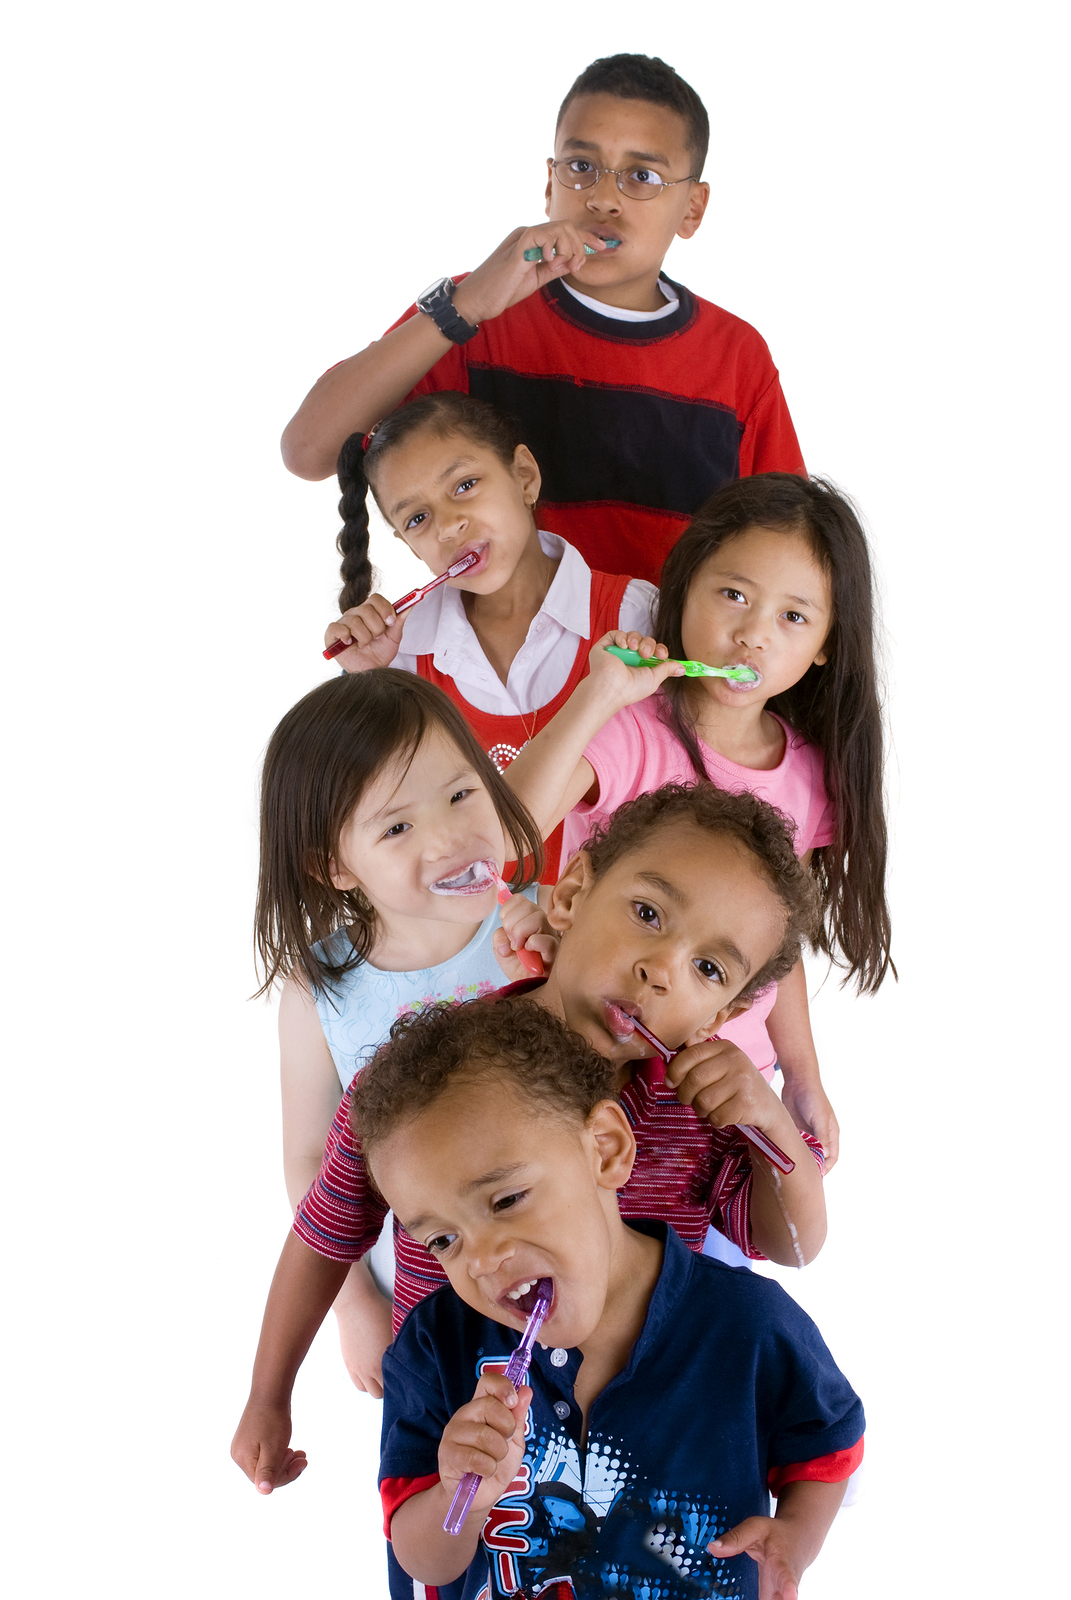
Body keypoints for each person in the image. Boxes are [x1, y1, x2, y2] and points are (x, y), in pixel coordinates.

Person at [232, 783, 830, 1493]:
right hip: (463, 1427)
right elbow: (324, 1235)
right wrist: (269, 1396)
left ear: (719, 1015)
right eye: (646, 914)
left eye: (707, 969)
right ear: (572, 892)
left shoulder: (697, 1113)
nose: (661, 969)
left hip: (640, 1437)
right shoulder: (427, 1079)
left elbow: (793, 1246)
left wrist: (772, 1129)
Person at [358, 998, 865, 1600]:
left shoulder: (746, 1325)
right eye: (444, 1239)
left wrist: (796, 1539)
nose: (482, 1259)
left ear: (604, 1149)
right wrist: (457, 1497)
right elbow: (422, 1561)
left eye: (505, 1200)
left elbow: (826, 1442)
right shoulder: (433, 1348)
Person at [281, 54, 804, 585]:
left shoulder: (736, 358)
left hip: (654, 665)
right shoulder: (477, 316)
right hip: (490, 667)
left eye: (641, 176)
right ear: (549, 182)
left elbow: (788, 556)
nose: (603, 199)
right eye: (581, 167)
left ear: (693, 208)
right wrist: (463, 307)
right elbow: (308, 450)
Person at [504, 473, 894, 1178]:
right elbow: (505, 830)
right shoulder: (628, 731)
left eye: (793, 618)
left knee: (696, 1263)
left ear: (826, 647)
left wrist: (802, 1079)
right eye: (733, 595)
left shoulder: (807, 776)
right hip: (591, 1066)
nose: (750, 634)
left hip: (715, 1094)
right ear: (684, 589)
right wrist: (598, 695)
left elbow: (777, 951)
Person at [256, 668, 549, 1396]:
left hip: (563, 1265)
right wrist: (352, 1304)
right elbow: (307, 1161)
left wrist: (557, 969)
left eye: (461, 793)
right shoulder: (319, 990)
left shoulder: (549, 920)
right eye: (396, 826)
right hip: (427, 1296)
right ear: (334, 866)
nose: (450, 836)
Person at [323, 391, 659, 879]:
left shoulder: (633, 613)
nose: (449, 526)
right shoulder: (402, 654)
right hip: (474, 931)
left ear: (524, 476)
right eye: (418, 518)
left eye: (464, 485)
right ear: (407, 544)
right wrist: (369, 684)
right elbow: (387, 818)